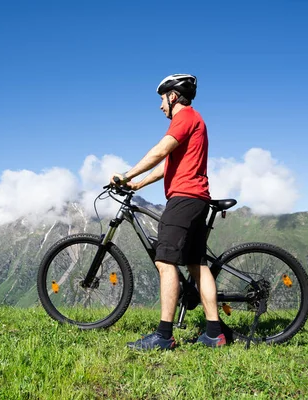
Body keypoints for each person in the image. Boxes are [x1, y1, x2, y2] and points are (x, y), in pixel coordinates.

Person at [110, 74, 226, 350]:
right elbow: (168, 165)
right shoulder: (195, 121)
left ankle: (163, 336)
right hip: (198, 198)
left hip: (184, 200)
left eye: (162, 99)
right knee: (197, 265)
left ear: (173, 96)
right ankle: (214, 333)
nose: (161, 106)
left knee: (165, 262)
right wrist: (139, 183)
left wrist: (126, 175)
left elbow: (161, 151)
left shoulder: (184, 118)